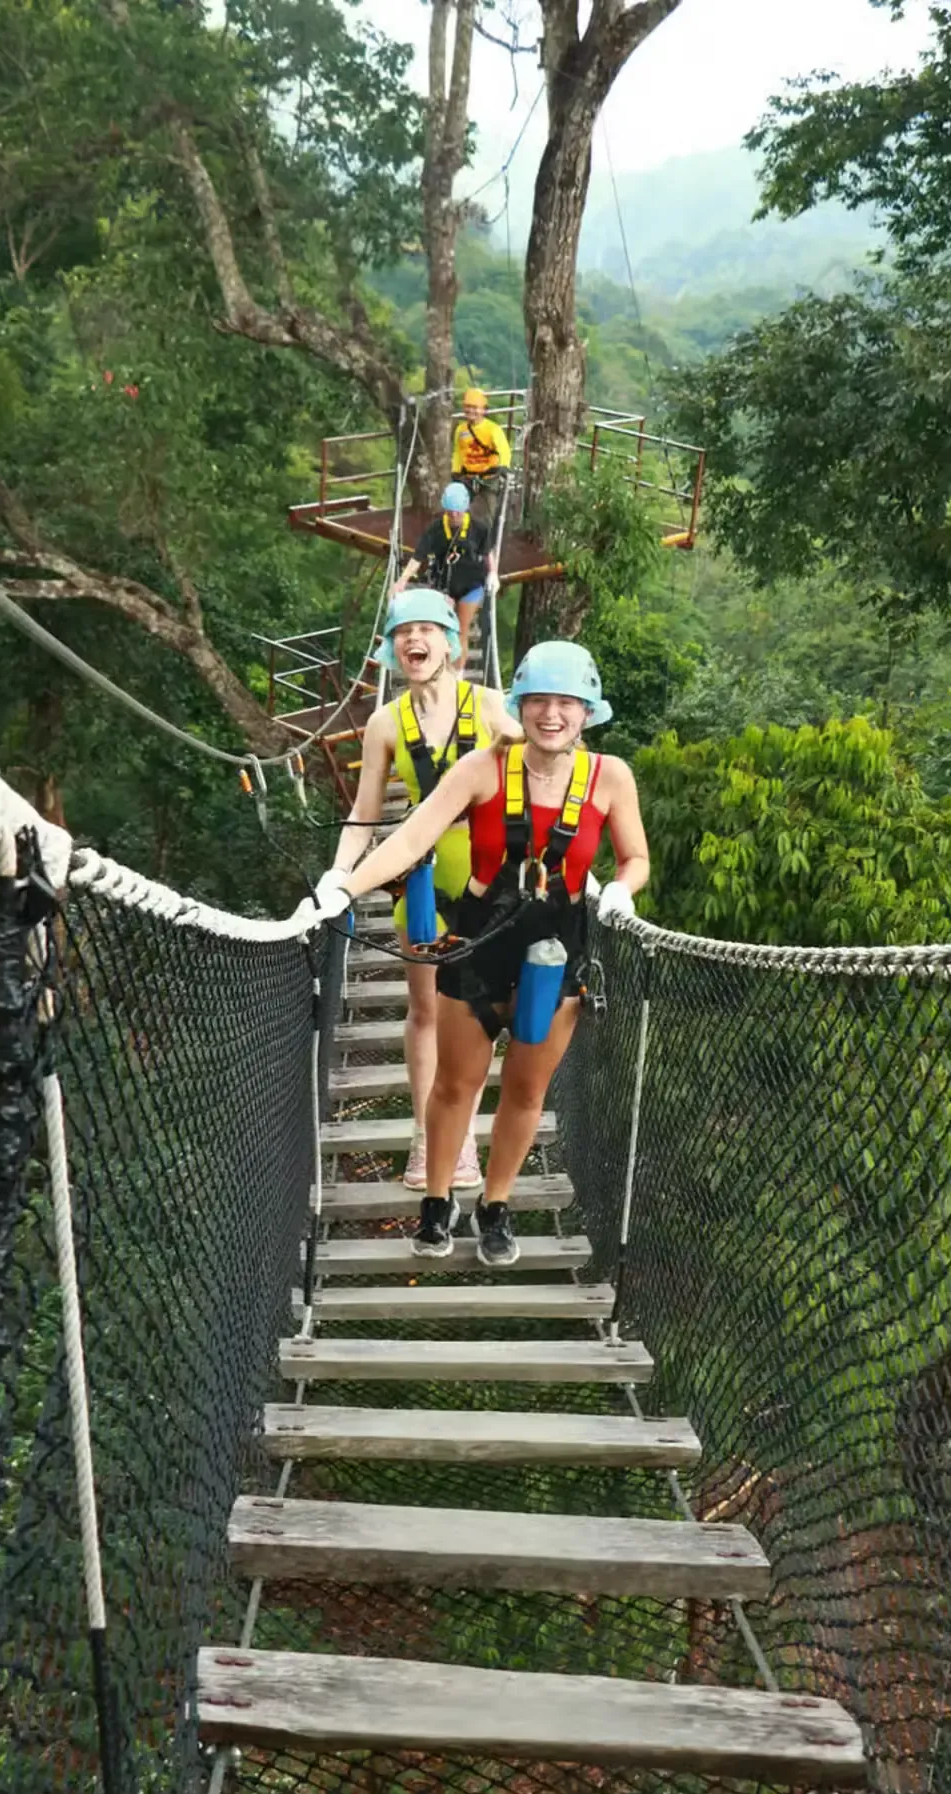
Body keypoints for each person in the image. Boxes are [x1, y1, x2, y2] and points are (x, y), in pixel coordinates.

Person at [295, 642, 648, 1269]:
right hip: (478, 945)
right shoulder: (483, 767)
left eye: (567, 703)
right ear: (519, 705)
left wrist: (620, 891)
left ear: (587, 711)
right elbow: (411, 837)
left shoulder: (610, 777)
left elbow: (633, 857)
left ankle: (496, 1205)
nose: (551, 714)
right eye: (539, 700)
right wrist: (343, 886)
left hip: (556, 957)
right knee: (455, 1084)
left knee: (525, 1090)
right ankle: (437, 1202)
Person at [313, 590, 521, 1191]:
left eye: (428, 629)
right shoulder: (384, 723)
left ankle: (461, 1143)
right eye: (404, 632)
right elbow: (364, 813)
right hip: (421, 876)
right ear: (391, 648)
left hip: (486, 876)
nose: (415, 640)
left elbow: (524, 752)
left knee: (478, 1011)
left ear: (451, 643)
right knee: (428, 1009)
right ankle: (427, 1136)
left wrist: (514, 738)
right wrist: (339, 880)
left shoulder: (487, 703)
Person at [391, 483, 498, 668]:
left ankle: (457, 677)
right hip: (444, 586)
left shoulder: (478, 529)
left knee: (461, 630)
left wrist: (493, 573)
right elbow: (418, 556)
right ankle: (440, 670)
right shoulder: (436, 530)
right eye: (450, 512)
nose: (454, 516)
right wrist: (402, 581)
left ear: (465, 509)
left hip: (471, 585)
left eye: (458, 512)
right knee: (443, 630)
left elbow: (488, 552)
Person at [452, 387, 512, 531]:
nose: (471, 411)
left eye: (475, 407)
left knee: (487, 513)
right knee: (458, 509)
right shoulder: (461, 430)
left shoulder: (493, 430)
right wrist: (455, 471)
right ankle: (460, 540)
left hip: (489, 476)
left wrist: (503, 466)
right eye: (468, 407)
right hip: (467, 476)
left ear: (483, 410)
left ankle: (486, 545)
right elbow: (459, 452)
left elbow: (503, 450)